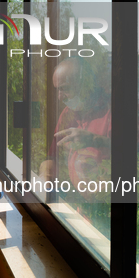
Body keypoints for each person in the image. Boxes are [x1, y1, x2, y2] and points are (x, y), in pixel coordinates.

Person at [40, 57, 111, 200]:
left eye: (65, 88)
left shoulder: (111, 112)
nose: (60, 97)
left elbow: (135, 155)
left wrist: (94, 140)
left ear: (85, 84)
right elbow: (52, 157)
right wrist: (43, 178)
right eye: (57, 90)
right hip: (79, 208)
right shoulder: (67, 114)